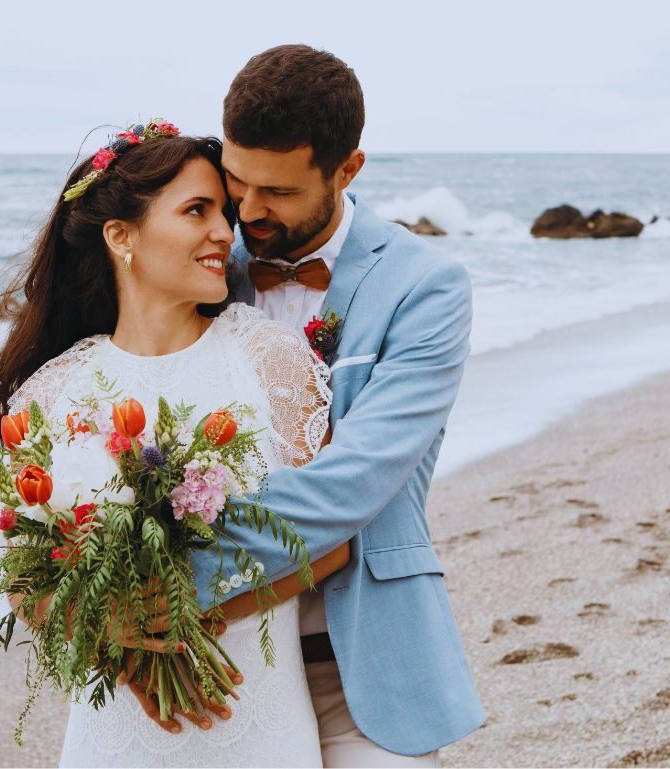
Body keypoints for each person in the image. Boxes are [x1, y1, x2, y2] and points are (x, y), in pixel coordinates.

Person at [133, 45, 486, 767]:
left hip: (356, 667)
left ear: (347, 169)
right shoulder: (197, 266)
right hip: (211, 667)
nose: (249, 210)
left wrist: (179, 580)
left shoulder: (426, 286)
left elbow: (356, 477)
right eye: (237, 180)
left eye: (280, 191)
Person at [0, 125, 347, 767]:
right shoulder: (50, 394)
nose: (225, 233)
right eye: (197, 211)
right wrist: (111, 634)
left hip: (257, 722)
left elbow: (331, 542)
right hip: (117, 733)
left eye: (224, 214)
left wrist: (188, 620)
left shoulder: (272, 361)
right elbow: (24, 581)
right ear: (122, 236)